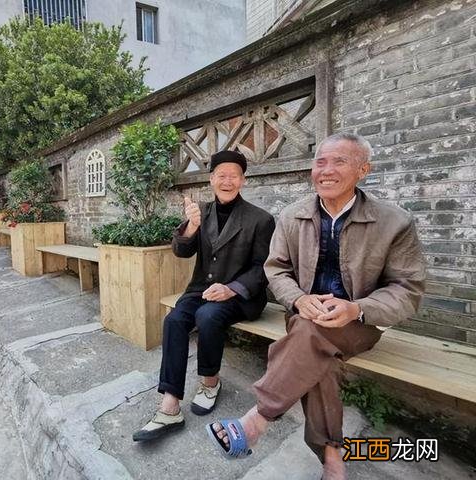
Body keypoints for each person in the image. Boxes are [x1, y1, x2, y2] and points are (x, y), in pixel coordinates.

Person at [206, 133, 426, 479]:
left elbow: (408, 289)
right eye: (320, 162)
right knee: (319, 353)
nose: (326, 170)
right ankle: (332, 458)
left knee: (312, 336)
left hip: (361, 323)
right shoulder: (293, 216)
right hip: (304, 317)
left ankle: (259, 418)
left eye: (339, 161)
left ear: (363, 170)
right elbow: (276, 269)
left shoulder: (394, 222)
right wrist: (298, 298)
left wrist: (356, 309)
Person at [133, 150, 275, 442]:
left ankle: (210, 383)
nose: (227, 180)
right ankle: (170, 405)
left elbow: (265, 268)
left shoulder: (260, 219)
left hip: (242, 295)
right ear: (211, 179)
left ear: (243, 180)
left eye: (233, 176)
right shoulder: (201, 212)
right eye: (221, 175)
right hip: (201, 289)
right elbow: (182, 251)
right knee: (174, 320)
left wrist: (231, 288)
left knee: (207, 316)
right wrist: (192, 226)